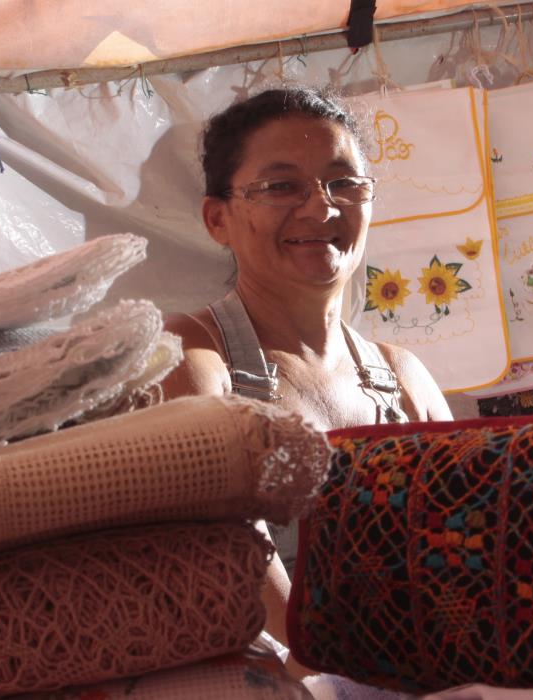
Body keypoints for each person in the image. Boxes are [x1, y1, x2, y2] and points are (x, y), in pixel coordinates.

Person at [161, 86, 453, 673]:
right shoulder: (190, 359)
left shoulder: (403, 377)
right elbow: (232, 559)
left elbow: (465, 548)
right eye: (280, 186)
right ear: (218, 219)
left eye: (344, 183)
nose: (321, 209)